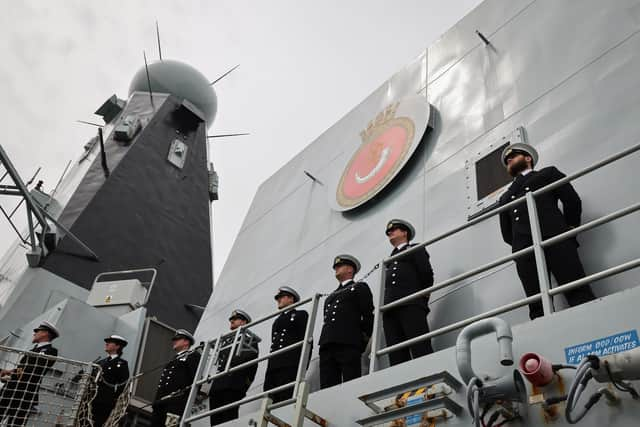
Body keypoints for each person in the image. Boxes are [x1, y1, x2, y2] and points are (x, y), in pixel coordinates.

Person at [498, 143, 596, 320]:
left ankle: (594, 328)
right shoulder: (505, 197)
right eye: (507, 161)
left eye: (513, 156)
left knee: (576, 288)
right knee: (536, 302)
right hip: (525, 251)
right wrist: (520, 245)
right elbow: (507, 232)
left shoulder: (547, 174)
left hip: (555, 238)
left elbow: (571, 200)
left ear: (528, 158)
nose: (509, 160)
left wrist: (570, 229)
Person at [383, 219, 435, 366]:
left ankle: (427, 373)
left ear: (404, 232)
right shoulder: (389, 261)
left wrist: (420, 298)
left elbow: (426, 273)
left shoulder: (415, 249)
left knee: (419, 345)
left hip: (411, 303)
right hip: (390, 309)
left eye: (393, 230)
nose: (390, 233)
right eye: (388, 232)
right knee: (396, 351)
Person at [318, 255, 374, 389]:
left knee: (351, 381)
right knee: (327, 384)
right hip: (327, 344)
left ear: (350, 269)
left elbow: (368, 315)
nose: (336, 268)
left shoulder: (359, 287)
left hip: (348, 342)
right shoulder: (330, 297)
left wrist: (361, 341)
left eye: (340, 266)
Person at [0, 321, 59, 426]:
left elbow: (34, 370)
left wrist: (12, 373)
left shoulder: (50, 351)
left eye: (37, 331)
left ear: (45, 333)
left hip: (24, 394)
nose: (34, 333)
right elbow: (23, 368)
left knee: (15, 424)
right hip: (11, 390)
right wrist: (10, 374)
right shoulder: (33, 350)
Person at [209, 310, 259, 426]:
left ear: (243, 322)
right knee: (215, 420)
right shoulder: (226, 341)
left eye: (235, 319)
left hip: (233, 385)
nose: (231, 321)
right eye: (231, 319)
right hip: (218, 385)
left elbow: (251, 365)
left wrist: (243, 387)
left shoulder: (248, 340)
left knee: (229, 419)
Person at [263, 286, 310, 403]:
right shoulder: (276, 321)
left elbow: (307, 340)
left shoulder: (301, 315)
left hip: (289, 364)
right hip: (274, 366)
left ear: (291, 299)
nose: (278, 300)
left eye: (281, 297)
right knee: (270, 398)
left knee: (286, 397)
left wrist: (303, 366)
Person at [151, 329, 200, 427]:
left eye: (178, 339)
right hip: (161, 402)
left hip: (176, 402)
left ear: (186, 342)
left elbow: (196, 377)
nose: (174, 341)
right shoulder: (174, 359)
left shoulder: (192, 356)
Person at [92, 335, 130, 426]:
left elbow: (123, 384)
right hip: (91, 398)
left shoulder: (121, 364)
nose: (107, 344)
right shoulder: (100, 362)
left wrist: (113, 399)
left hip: (104, 401)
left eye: (110, 342)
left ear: (117, 346)